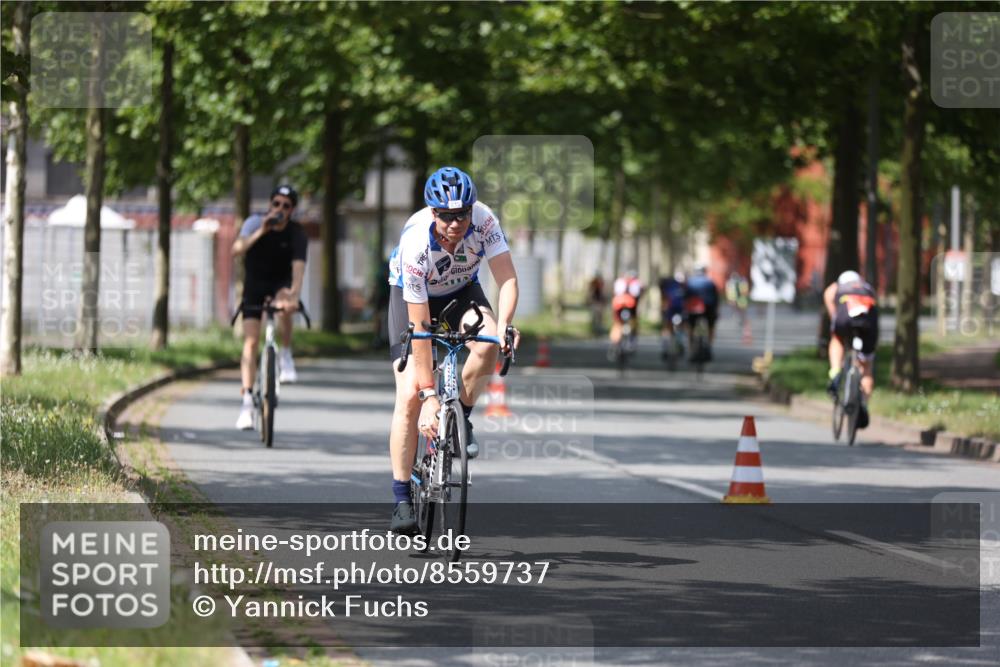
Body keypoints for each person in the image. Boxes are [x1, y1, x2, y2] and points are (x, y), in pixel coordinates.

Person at [386, 166, 520, 534]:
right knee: (410, 393)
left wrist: (506, 324)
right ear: (433, 213)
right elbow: (421, 330)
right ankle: (401, 500)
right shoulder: (416, 245)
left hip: (461, 291)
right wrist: (429, 396)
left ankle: (460, 416)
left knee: (488, 339)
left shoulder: (485, 221)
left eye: (462, 214)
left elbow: (506, 278)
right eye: (446, 216)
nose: (455, 223)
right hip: (412, 298)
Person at [232, 185, 307, 430]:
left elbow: (298, 267)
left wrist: (294, 294)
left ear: (292, 210)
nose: (279, 209)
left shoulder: (297, 233)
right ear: (270, 204)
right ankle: (246, 403)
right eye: (276, 204)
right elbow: (237, 249)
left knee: (285, 303)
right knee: (251, 342)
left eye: (286, 206)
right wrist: (262, 230)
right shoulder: (254, 223)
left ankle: (285, 353)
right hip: (255, 283)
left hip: (280, 284)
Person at [824, 270, 879, 429]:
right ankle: (864, 404)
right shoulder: (867, 288)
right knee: (866, 367)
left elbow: (832, 310)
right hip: (868, 322)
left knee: (837, 339)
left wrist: (836, 321)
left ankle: (835, 372)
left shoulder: (835, 287)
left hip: (845, 318)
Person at [684, 265, 720, 350]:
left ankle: (690, 346)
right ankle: (709, 345)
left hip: (693, 307)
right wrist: (717, 310)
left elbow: (685, 297)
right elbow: (716, 298)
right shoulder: (710, 282)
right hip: (708, 307)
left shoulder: (690, 281)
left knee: (691, 326)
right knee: (711, 325)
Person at [609, 270, 643, 349]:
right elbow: (638, 294)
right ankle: (632, 339)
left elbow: (615, 292)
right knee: (633, 321)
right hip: (631, 305)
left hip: (618, 305)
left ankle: (614, 342)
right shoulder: (636, 282)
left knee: (617, 323)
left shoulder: (619, 281)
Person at [659, 271, 687, 360]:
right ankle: (678, 344)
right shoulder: (685, 287)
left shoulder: (668, 286)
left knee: (667, 328)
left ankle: (665, 347)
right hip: (677, 310)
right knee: (680, 327)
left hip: (671, 310)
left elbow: (664, 301)